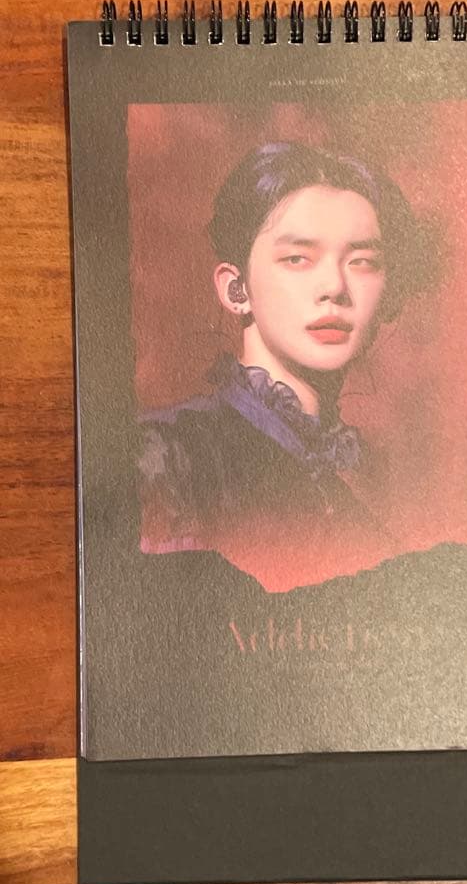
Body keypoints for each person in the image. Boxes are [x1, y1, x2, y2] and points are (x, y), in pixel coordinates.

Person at [138, 141, 429, 591]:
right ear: (237, 290)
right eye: (298, 258)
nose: (334, 287)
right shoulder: (163, 456)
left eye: (362, 262)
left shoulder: (363, 524)